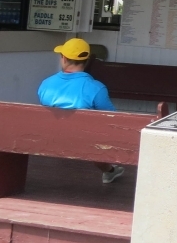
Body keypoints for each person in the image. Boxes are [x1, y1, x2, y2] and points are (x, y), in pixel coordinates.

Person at [38, 38, 124, 184]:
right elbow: (112, 117)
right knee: (98, 135)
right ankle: (109, 171)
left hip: (49, 138)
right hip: (86, 141)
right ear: (87, 61)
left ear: (63, 58)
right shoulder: (96, 88)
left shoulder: (46, 85)